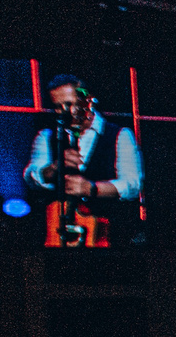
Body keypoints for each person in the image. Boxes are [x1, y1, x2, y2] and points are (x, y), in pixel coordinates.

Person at [25, 74, 143, 246]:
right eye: (58, 107)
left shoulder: (120, 135)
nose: (66, 112)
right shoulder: (47, 136)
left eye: (70, 104)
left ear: (87, 100)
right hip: (60, 237)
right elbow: (32, 177)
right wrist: (55, 168)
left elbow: (132, 185)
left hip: (106, 237)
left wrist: (92, 189)